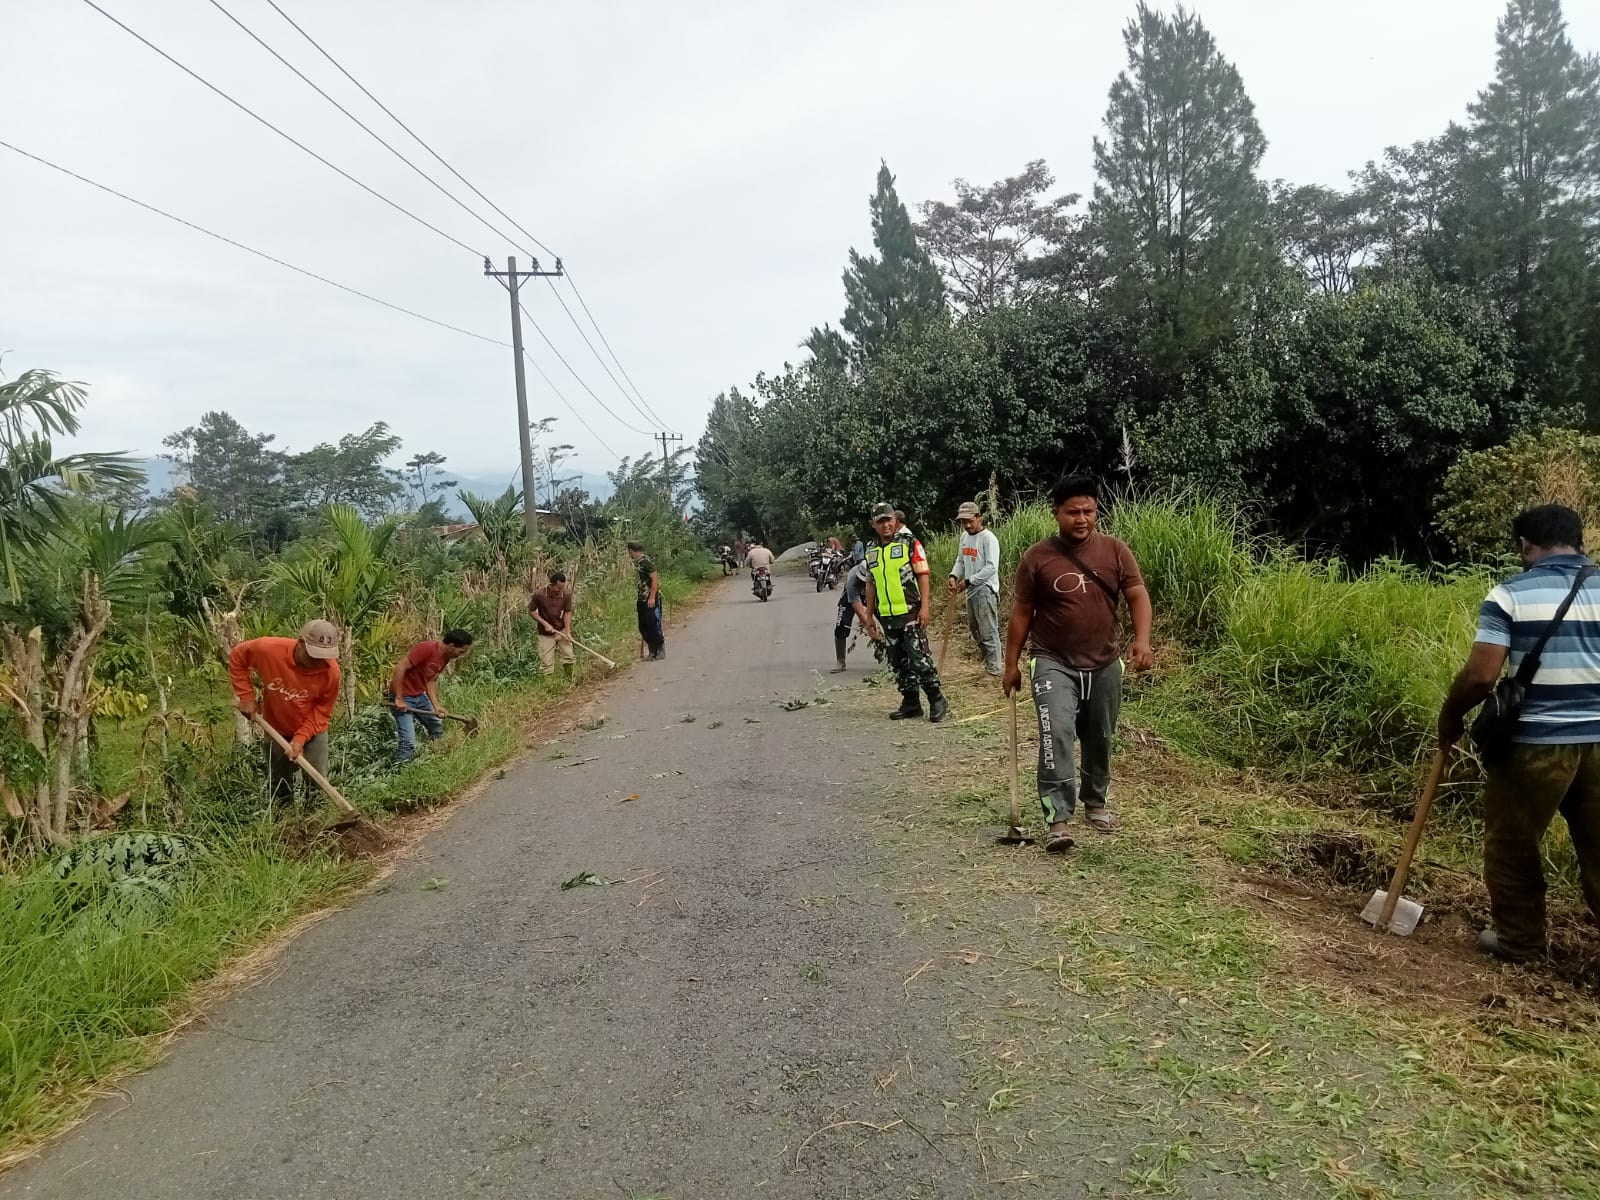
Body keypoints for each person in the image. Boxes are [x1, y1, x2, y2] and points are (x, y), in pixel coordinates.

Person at [1438, 504, 1600, 963]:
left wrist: (1450, 718)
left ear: (1526, 544)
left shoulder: (1511, 594)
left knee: (1513, 846)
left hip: (1536, 746)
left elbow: (1480, 677)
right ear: (1579, 542)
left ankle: (1522, 944)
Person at [1002, 475, 1153, 854]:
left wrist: (1142, 640)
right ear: (1056, 513)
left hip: (1104, 663)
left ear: (1097, 511)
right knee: (1057, 736)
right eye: (1073, 512)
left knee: (1100, 735)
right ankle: (1058, 819)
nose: (1082, 518)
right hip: (1053, 662)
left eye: (1088, 511)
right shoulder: (1037, 557)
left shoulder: (1116, 551)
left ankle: (1096, 803)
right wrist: (1011, 663)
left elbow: (1137, 595)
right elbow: (1021, 613)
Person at [229, 619, 342, 802]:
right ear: (301, 642)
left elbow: (322, 711)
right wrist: (246, 696)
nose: (317, 662)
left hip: (313, 731)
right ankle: (285, 824)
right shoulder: (268, 649)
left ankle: (317, 823)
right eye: (313, 655)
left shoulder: (331, 673)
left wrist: (300, 739)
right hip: (276, 728)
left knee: (317, 782)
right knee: (280, 783)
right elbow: (237, 657)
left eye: (323, 657)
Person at [863, 502, 948, 722]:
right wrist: (868, 616)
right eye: (880, 521)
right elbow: (870, 583)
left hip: (911, 613)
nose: (886, 525)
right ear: (873, 524)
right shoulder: (871, 549)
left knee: (919, 659)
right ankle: (911, 703)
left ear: (895, 520)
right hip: (888, 617)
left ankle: (936, 699)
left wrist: (926, 607)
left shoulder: (910, 543)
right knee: (898, 662)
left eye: (888, 520)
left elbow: (923, 574)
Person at [385, 630, 474, 763]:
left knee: (436, 726)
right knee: (408, 741)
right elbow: (399, 668)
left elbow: (431, 680)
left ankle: (436, 758)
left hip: (419, 696)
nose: (461, 655)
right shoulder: (426, 649)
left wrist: (436, 706)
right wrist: (399, 698)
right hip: (403, 697)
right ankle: (399, 771)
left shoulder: (445, 657)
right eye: (461, 651)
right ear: (451, 646)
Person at [947, 501, 1003, 676]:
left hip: (985, 589)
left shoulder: (988, 539)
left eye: (970, 520)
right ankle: (990, 661)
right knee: (975, 629)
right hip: (971, 591)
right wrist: (954, 576)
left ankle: (995, 670)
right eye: (963, 522)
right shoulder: (965, 537)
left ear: (978, 517)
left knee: (988, 630)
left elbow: (991, 568)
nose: (967, 525)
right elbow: (961, 560)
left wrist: (969, 581)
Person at [531, 572, 577, 680]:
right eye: (558, 589)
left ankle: (569, 680)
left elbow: (567, 613)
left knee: (569, 656)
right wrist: (545, 624)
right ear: (551, 585)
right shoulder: (539, 595)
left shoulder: (566, 594)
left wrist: (568, 631)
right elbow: (531, 611)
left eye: (562, 588)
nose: (560, 591)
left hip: (561, 629)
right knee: (546, 663)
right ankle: (549, 687)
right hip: (545, 633)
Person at [627, 542, 665, 660]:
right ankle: (651, 650)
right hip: (641, 598)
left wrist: (652, 596)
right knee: (643, 626)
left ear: (631, 551)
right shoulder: (636, 563)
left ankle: (659, 648)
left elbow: (655, 579)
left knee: (653, 624)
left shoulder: (646, 562)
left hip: (650, 598)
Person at [832, 560, 871, 673]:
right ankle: (840, 661)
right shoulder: (852, 579)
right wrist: (867, 625)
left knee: (888, 621)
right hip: (851, 597)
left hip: (872, 594)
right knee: (842, 624)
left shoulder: (879, 575)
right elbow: (856, 604)